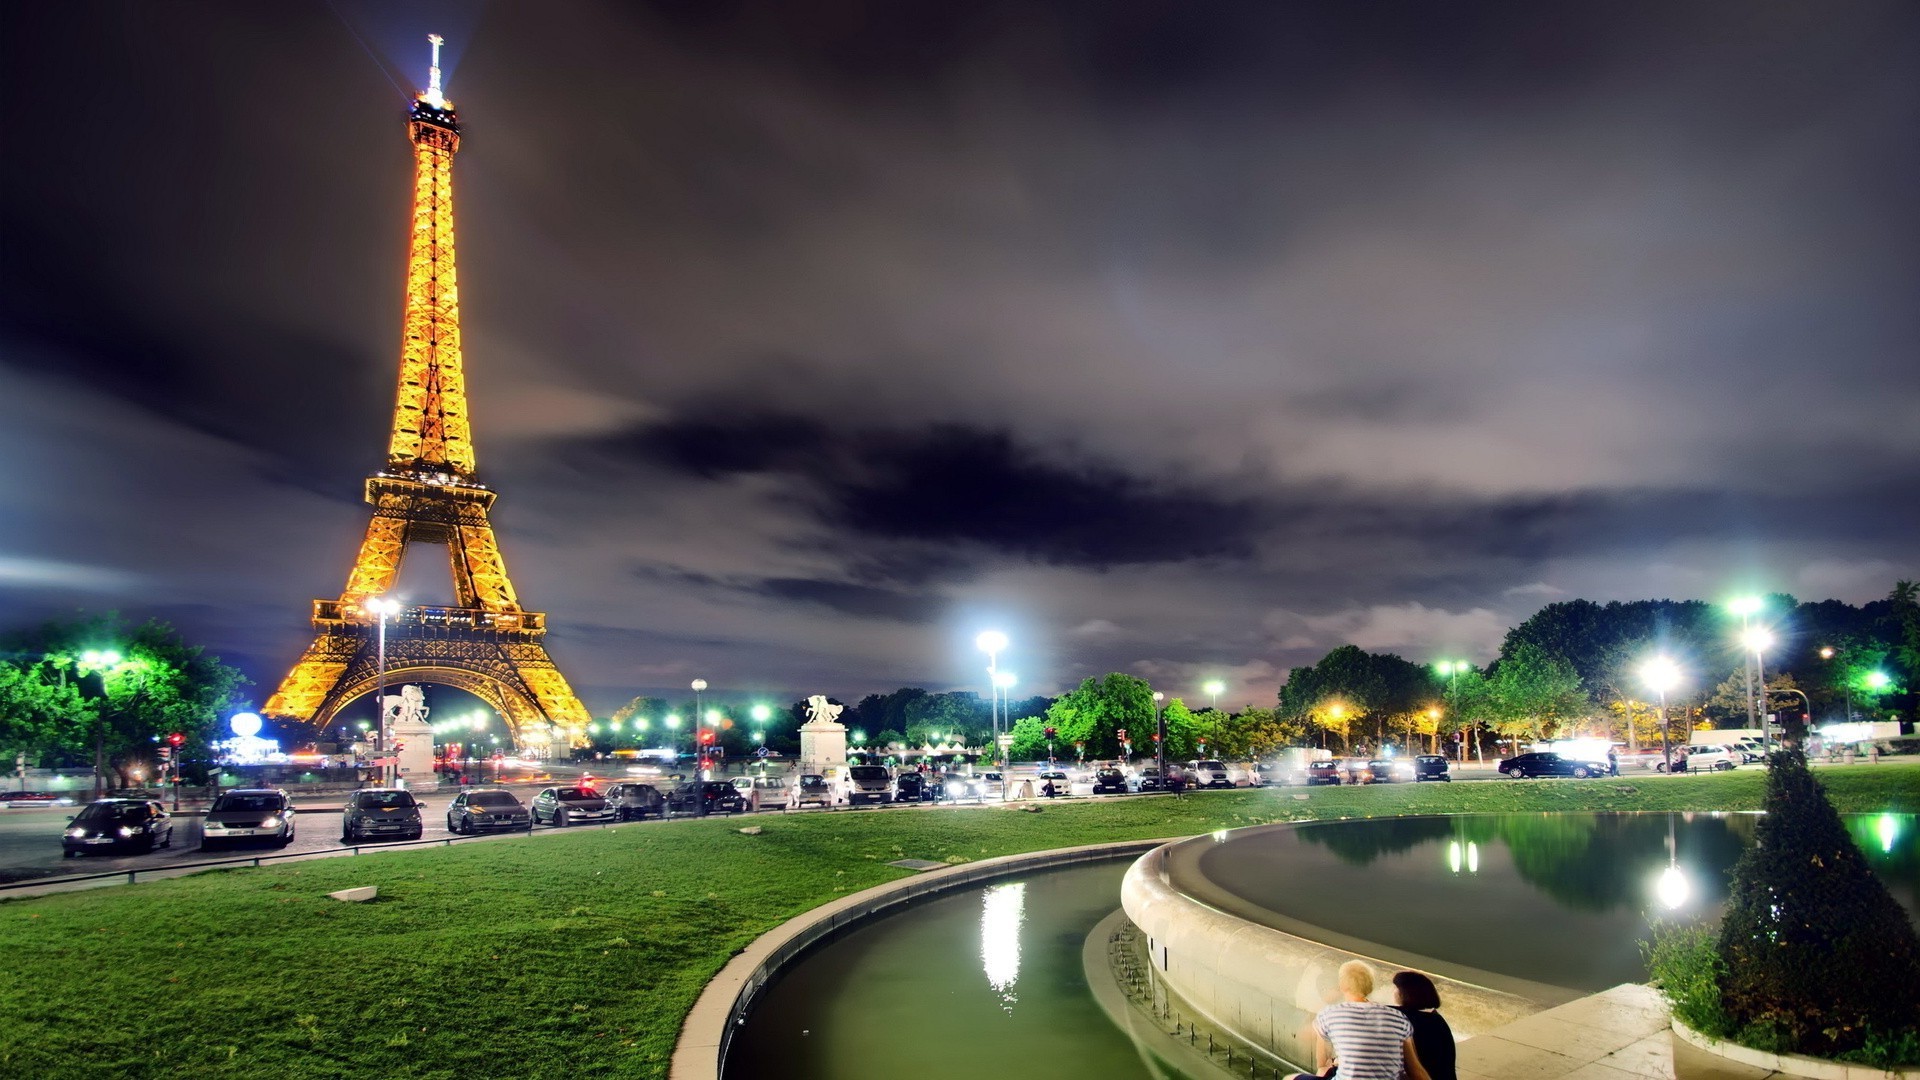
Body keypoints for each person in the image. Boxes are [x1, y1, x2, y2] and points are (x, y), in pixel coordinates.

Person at [1288, 960, 1432, 1080]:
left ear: (1342, 986)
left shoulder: (1329, 1014)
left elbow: (1321, 1063)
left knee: (1292, 1078)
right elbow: (1415, 1070)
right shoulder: (1399, 1018)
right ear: (1369, 987)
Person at [1390, 971, 1456, 1080]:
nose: (1393, 992)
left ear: (1405, 993)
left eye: (1396, 988)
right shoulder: (1435, 1019)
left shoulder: (1413, 1020)